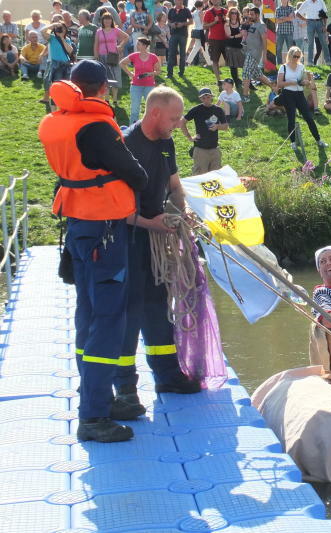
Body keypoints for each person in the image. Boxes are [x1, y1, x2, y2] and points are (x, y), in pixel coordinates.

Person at [38, 60, 149, 442]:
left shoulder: (54, 122)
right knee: (107, 319)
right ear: (102, 88)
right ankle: (95, 415)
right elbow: (137, 173)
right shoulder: (97, 126)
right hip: (104, 229)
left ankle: (96, 400)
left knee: (87, 312)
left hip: (77, 224)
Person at [116, 85, 202, 415]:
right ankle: (124, 388)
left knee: (158, 307)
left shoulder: (166, 143)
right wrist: (155, 224)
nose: (178, 124)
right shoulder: (124, 146)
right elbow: (115, 209)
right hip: (127, 238)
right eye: (174, 118)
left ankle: (167, 375)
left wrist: (184, 211)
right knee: (128, 312)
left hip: (155, 234)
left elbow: (175, 186)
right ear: (154, 114)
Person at [276, 46, 327, 150]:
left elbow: (306, 82)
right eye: (294, 56)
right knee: (291, 119)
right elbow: (279, 84)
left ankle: (318, 140)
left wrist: (306, 82)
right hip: (288, 94)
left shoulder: (301, 67)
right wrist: (293, 82)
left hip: (299, 94)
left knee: (309, 118)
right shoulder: (283, 67)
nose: (296, 58)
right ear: (290, 55)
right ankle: (293, 142)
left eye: (298, 57)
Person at [180, 87, 228, 173]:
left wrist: (217, 126)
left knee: (216, 176)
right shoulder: (196, 110)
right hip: (200, 149)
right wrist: (189, 137)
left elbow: (225, 126)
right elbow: (182, 122)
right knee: (200, 176)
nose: (206, 99)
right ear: (200, 98)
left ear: (211, 97)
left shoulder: (218, 110)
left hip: (214, 149)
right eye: (203, 98)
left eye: (208, 97)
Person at [120, 37, 161, 123]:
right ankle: (132, 129)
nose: (137, 45)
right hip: (136, 85)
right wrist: (130, 74)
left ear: (144, 45)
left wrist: (149, 74)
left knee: (150, 108)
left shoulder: (153, 57)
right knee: (135, 109)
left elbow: (158, 71)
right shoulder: (134, 55)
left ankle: (149, 127)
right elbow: (122, 63)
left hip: (149, 86)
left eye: (139, 44)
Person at [94, 13, 128, 106]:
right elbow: (96, 44)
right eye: (105, 19)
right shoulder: (99, 31)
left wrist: (120, 46)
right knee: (105, 78)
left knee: (115, 76)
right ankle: (107, 99)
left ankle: (115, 99)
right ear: (102, 21)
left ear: (112, 21)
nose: (107, 21)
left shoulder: (115, 30)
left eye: (109, 19)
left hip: (113, 56)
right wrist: (96, 55)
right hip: (102, 56)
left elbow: (126, 37)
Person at [241, 6, 270, 102]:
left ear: (257, 15)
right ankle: (274, 86)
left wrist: (264, 55)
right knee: (257, 74)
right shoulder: (253, 24)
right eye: (249, 14)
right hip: (249, 52)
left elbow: (265, 41)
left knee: (246, 72)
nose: (250, 16)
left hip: (254, 53)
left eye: (252, 14)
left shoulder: (261, 25)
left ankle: (245, 96)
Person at [296, 0, 330, 66]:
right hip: (310, 22)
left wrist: (325, 26)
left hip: (320, 23)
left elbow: (325, 15)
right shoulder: (306, 2)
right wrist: (305, 19)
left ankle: (328, 61)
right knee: (310, 44)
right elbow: (297, 14)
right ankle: (310, 62)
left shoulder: (321, 2)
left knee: (324, 42)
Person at [203, 0, 227, 87]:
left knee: (230, 60)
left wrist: (226, 20)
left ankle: (234, 80)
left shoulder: (225, 11)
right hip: (214, 40)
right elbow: (204, 26)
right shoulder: (208, 12)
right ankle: (219, 80)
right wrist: (214, 21)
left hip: (225, 39)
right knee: (215, 61)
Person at [166, 0, 190, 77]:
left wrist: (182, 24)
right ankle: (169, 73)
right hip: (173, 34)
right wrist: (171, 24)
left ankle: (181, 72)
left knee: (182, 54)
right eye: (177, 1)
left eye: (180, 1)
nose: (178, 2)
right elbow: (168, 22)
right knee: (171, 54)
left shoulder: (186, 10)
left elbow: (191, 21)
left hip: (183, 34)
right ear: (174, 1)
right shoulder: (171, 10)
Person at [224, 8, 244, 87]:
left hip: (240, 46)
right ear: (229, 14)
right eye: (232, 13)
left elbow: (242, 34)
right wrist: (228, 23)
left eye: (236, 13)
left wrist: (234, 36)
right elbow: (228, 35)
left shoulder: (240, 22)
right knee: (233, 66)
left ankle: (247, 82)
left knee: (244, 65)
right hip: (230, 46)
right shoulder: (227, 23)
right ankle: (236, 82)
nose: (234, 15)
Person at [187, 0, 212, 66]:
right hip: (201, 30)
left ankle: (188, 61)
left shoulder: (194, 12)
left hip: (196, 30)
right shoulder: (200, 12)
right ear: (201, 5)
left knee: (197, 47)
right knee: (204, 47)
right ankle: (209, 62)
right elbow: (202, 22)